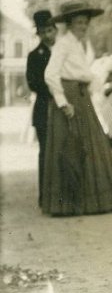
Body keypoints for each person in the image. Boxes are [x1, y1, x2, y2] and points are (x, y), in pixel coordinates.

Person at [42, 1, 112, 215]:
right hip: (70, 99)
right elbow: (50, 74)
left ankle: (97, 201)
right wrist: (63, 103)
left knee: (92, 145)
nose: (83, 26)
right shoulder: (63, 43)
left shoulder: (78, 44)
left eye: (85, 22)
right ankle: (68, 205)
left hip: (82, 96)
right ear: (69, 24)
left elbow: (84, 74)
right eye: (78, 22)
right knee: (70, 148)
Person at [26, 10, 57, 205]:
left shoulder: (64, 51)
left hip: (65, 108)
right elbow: (33, 83)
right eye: (43, 32)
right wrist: (56, 90)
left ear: (56, 29)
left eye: (50, 30)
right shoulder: (34, 55)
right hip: (45, 107)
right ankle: (45, 197)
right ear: (38, 33)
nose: (47, 35)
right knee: (46, 152)